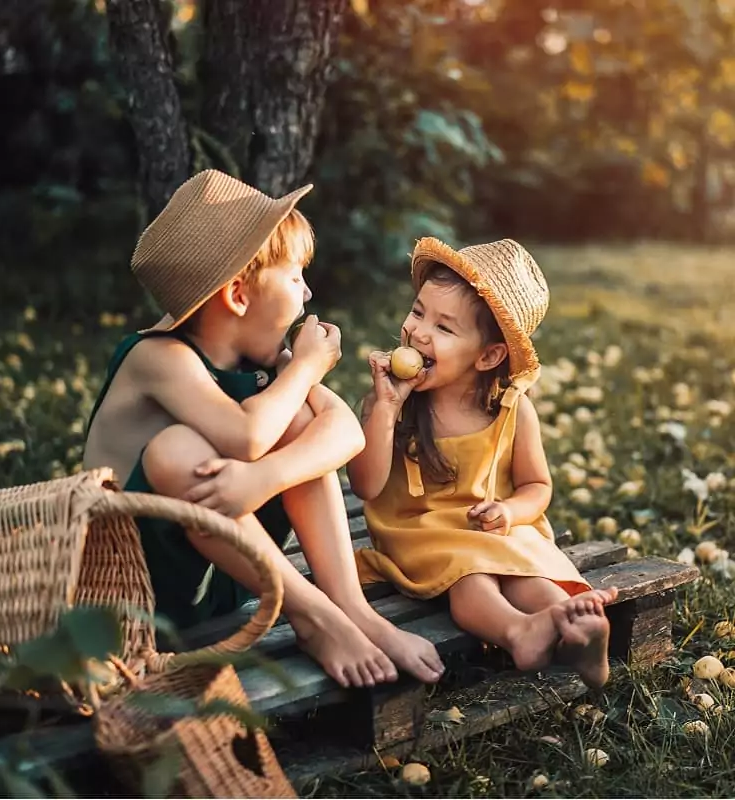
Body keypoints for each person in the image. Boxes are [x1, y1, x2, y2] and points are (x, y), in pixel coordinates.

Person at [83, 169, 444, 688]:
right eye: (296, 276)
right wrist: (304, 369)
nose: (308, 290)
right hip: (136, 596)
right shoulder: (157, 358)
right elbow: (246, 435)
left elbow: (344, 431)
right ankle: (312, 615)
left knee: (299, 421)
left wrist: (263, 477)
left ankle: (348, 607)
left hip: (229, 581)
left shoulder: (265, 362)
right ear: (237, 295)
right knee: (175, 449)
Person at [347, 237, 618, 689]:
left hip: (488, 532)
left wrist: (510, 512)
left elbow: (537, 487)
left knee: (527, 572)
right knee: (472, 579)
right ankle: (518, 632)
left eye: (445, 328)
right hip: (422, 534)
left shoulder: (511, 409)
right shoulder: (390, 404)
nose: (418, 332)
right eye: (417, 312)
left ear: (488, 355)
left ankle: (572, 625)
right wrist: (386, 410)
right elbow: (366, 486)